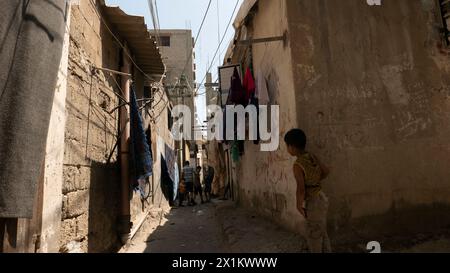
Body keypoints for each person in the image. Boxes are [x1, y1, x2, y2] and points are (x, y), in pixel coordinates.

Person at [284, 129, 331, 253]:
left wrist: (299, 205)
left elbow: (301, 188)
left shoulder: (298, 165)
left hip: (314, 202)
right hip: (322, 197)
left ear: (292, 147)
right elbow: (326, 171)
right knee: (321, 230)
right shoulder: (311, 156)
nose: (287, 149)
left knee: (314, 235)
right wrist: (315, 181)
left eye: (287, 146)